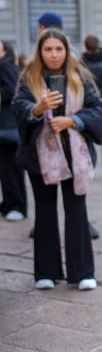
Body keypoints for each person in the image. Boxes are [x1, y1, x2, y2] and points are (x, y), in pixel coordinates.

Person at [12, 28, 102, 290]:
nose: (54, 55)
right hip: (40, 158)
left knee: (77, 211)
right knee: (45, 211)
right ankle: (46, 272)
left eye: (59, 49)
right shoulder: (29, 78)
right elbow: (19, 108)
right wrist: (38, 108)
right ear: (40, 52)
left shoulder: (81, 76)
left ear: (66, 51)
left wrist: (73, 120)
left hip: (76, 155)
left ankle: (82, 272)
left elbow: (97, 110)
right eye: (48, 49)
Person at [0, 41, 27, 221]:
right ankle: (9, 203)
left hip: (7, 126)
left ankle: (17, 205)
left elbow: (11, 90)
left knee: (10, 168)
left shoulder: (5, 65)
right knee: (6, 169)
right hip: (6, 125)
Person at [81, 35, 102, 178]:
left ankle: (89, 168)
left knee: (86, 137)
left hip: (86, 104)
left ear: (85, 46)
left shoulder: (81, 62)